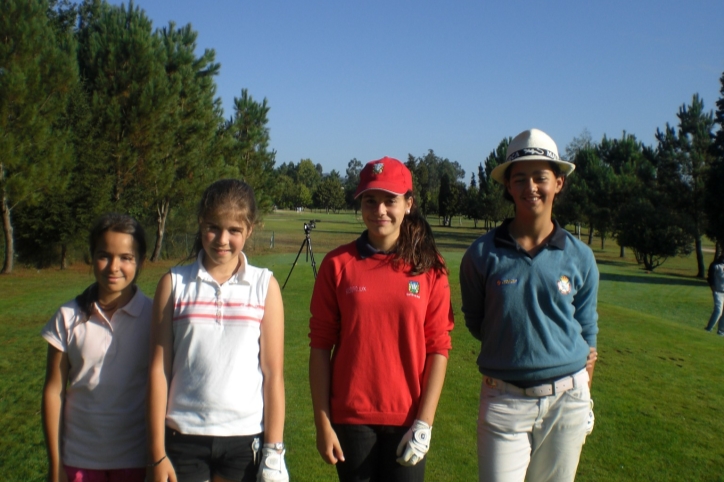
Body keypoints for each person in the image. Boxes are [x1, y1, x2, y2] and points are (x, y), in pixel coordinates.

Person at [459, 129, 599, 482]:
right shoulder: (480, 254)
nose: (530, 187)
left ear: (559, 182)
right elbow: (479, 323)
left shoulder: (580, 256)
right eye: (520, 178)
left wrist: (586, 397)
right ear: (508, 186)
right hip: (504, 402)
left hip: (567, 401)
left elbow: (587, 333)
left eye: (540, 177)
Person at [309, 156, 455, 482]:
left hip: (408, 419)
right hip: (351, 419)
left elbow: (439, 348)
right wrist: (323, 423)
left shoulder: (430, 266)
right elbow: (320, 346)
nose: (380, 210)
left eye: (390, 200)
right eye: (370, 200)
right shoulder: (337, 264)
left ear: (408, 204)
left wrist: (425, 423)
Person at [147, 179, 287, 482]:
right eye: (213, 227)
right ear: (200, 224)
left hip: (244, 438)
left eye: (234, 230)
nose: (222, 239)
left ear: (250, 230)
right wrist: (157, 453)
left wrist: (274, 451)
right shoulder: (173, 283)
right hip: (183, 437)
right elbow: (159, 370)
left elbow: (273, 374)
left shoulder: (265, 286)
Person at [41, 213, 152, 482]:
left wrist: (155, 460)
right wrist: (56, 466)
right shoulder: (68, 316)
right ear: (92, 256)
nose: (114, 266)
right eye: (104, 255)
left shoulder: (154, 316)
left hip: (135, 459)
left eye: (126, 257)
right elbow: (54, 391)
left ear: (139, 261)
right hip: (79, 459)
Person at [705, 254, 724, 335]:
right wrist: (713, 288)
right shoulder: (715, 265)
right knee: (718, 310)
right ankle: (708, 329)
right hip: (718, 291)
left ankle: (721, 332)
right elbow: (710, 277)